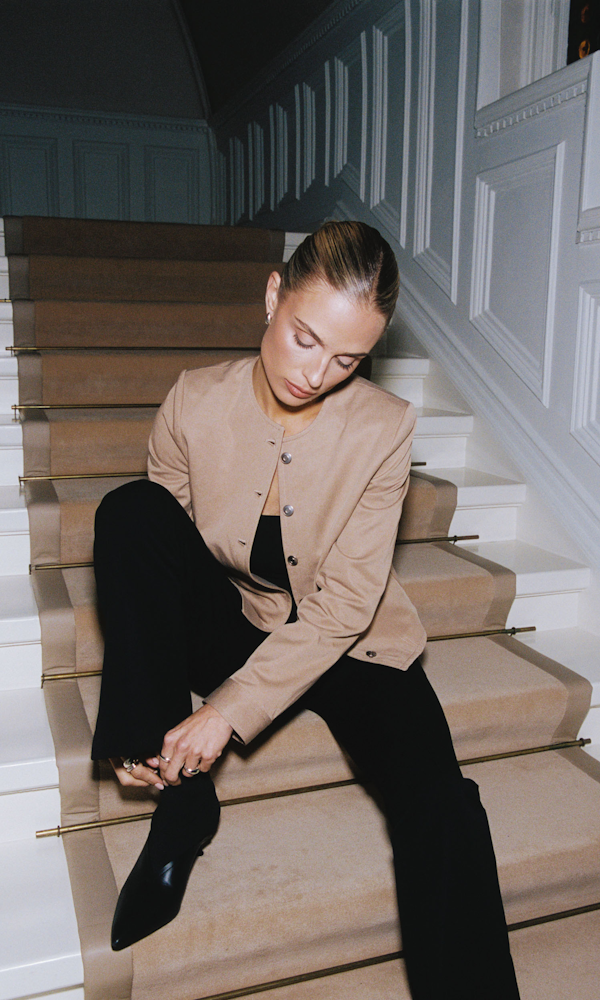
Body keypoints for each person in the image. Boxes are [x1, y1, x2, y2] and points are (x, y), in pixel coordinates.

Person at [91, 221, 520, 999]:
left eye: (347, 360)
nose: (316, 373)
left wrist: (225, 711)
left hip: (352, 643)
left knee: (442, 805)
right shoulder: (194, 401)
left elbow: (346, 605)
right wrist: (147, 716)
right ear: (272, 296)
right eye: (305, 338)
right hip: (238, 619)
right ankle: (181, 804)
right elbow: (160, 560)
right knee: (131, 513)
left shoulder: (385, 428)